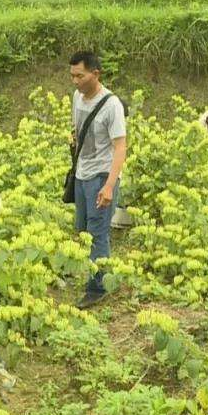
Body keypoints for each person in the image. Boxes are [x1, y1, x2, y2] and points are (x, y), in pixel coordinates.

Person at [69, 51, 127, 310]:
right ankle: (95, 271)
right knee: (82, 228)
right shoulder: (76, 97)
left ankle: (98, 287)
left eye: (80, 76)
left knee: (98, 232)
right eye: (72, 76)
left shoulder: (112, 105)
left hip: (101, 176)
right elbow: (77, 127)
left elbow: (120, 147)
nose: (75, 81)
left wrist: (109, 185)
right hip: (82, 173)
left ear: (96, 73)